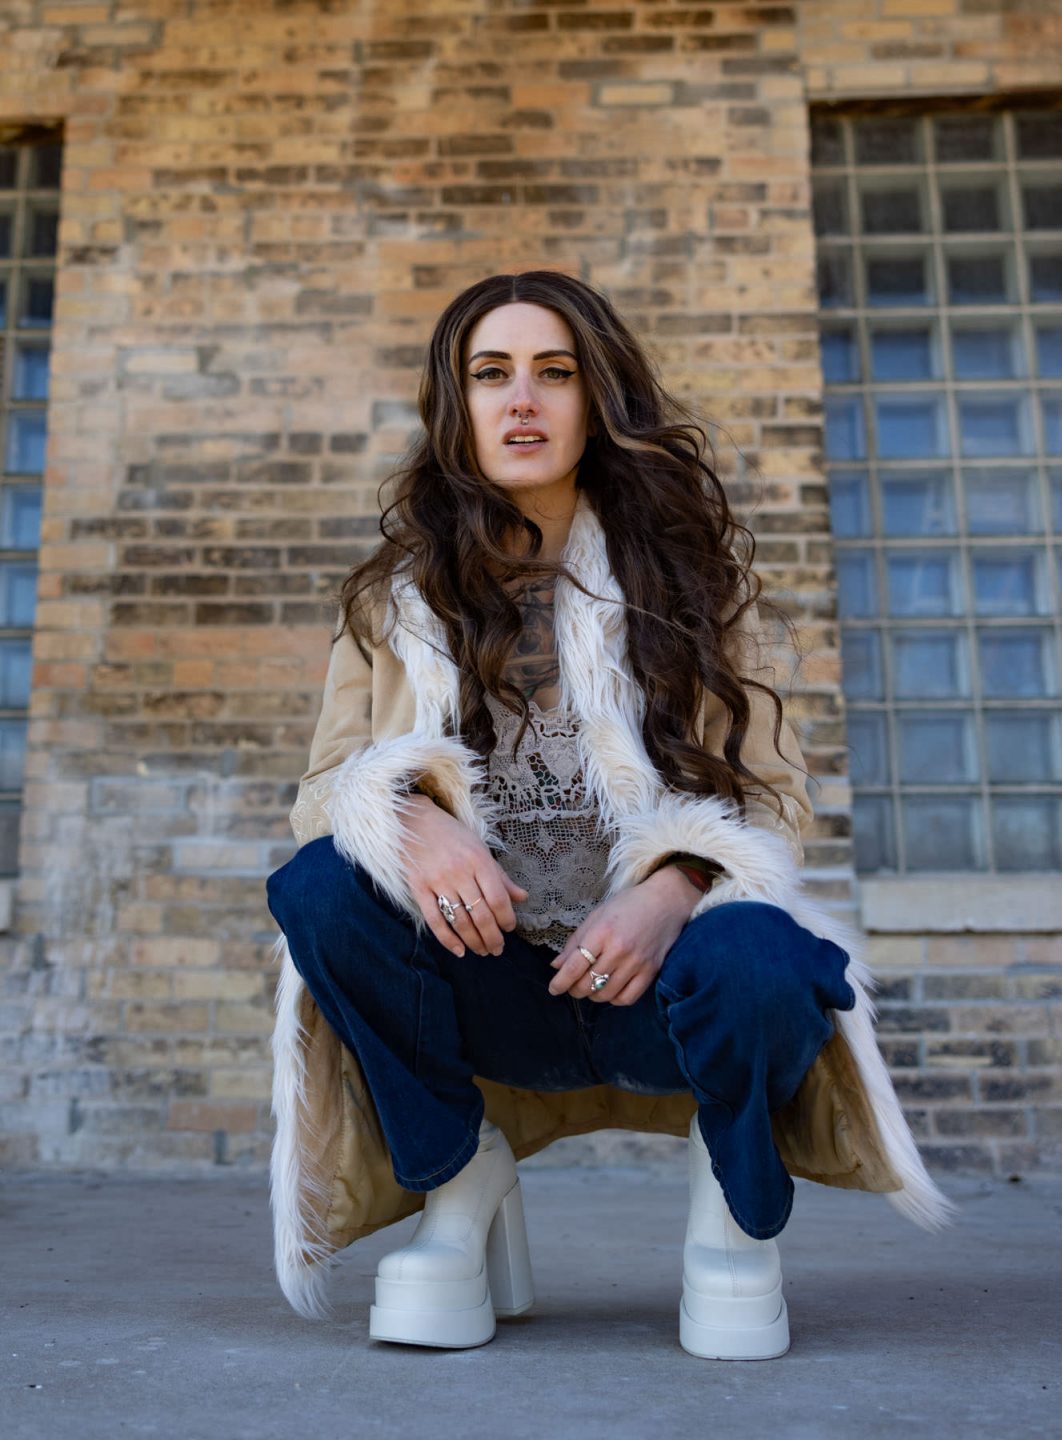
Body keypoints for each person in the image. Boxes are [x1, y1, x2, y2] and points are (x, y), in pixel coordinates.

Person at [265, 270, 952, 1359]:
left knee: (770, 955)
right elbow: (321, 792)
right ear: (459, 406)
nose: (522, 400)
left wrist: (674, 888)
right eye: (491, 375)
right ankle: (459, 1176)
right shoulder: (393, 601)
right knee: (314, 888)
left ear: (599, 399)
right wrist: (405, 815)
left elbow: (775, 801)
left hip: (654, 991)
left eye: (556, 373)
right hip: (488, 979)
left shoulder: (689, 577)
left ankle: (729, 1212)